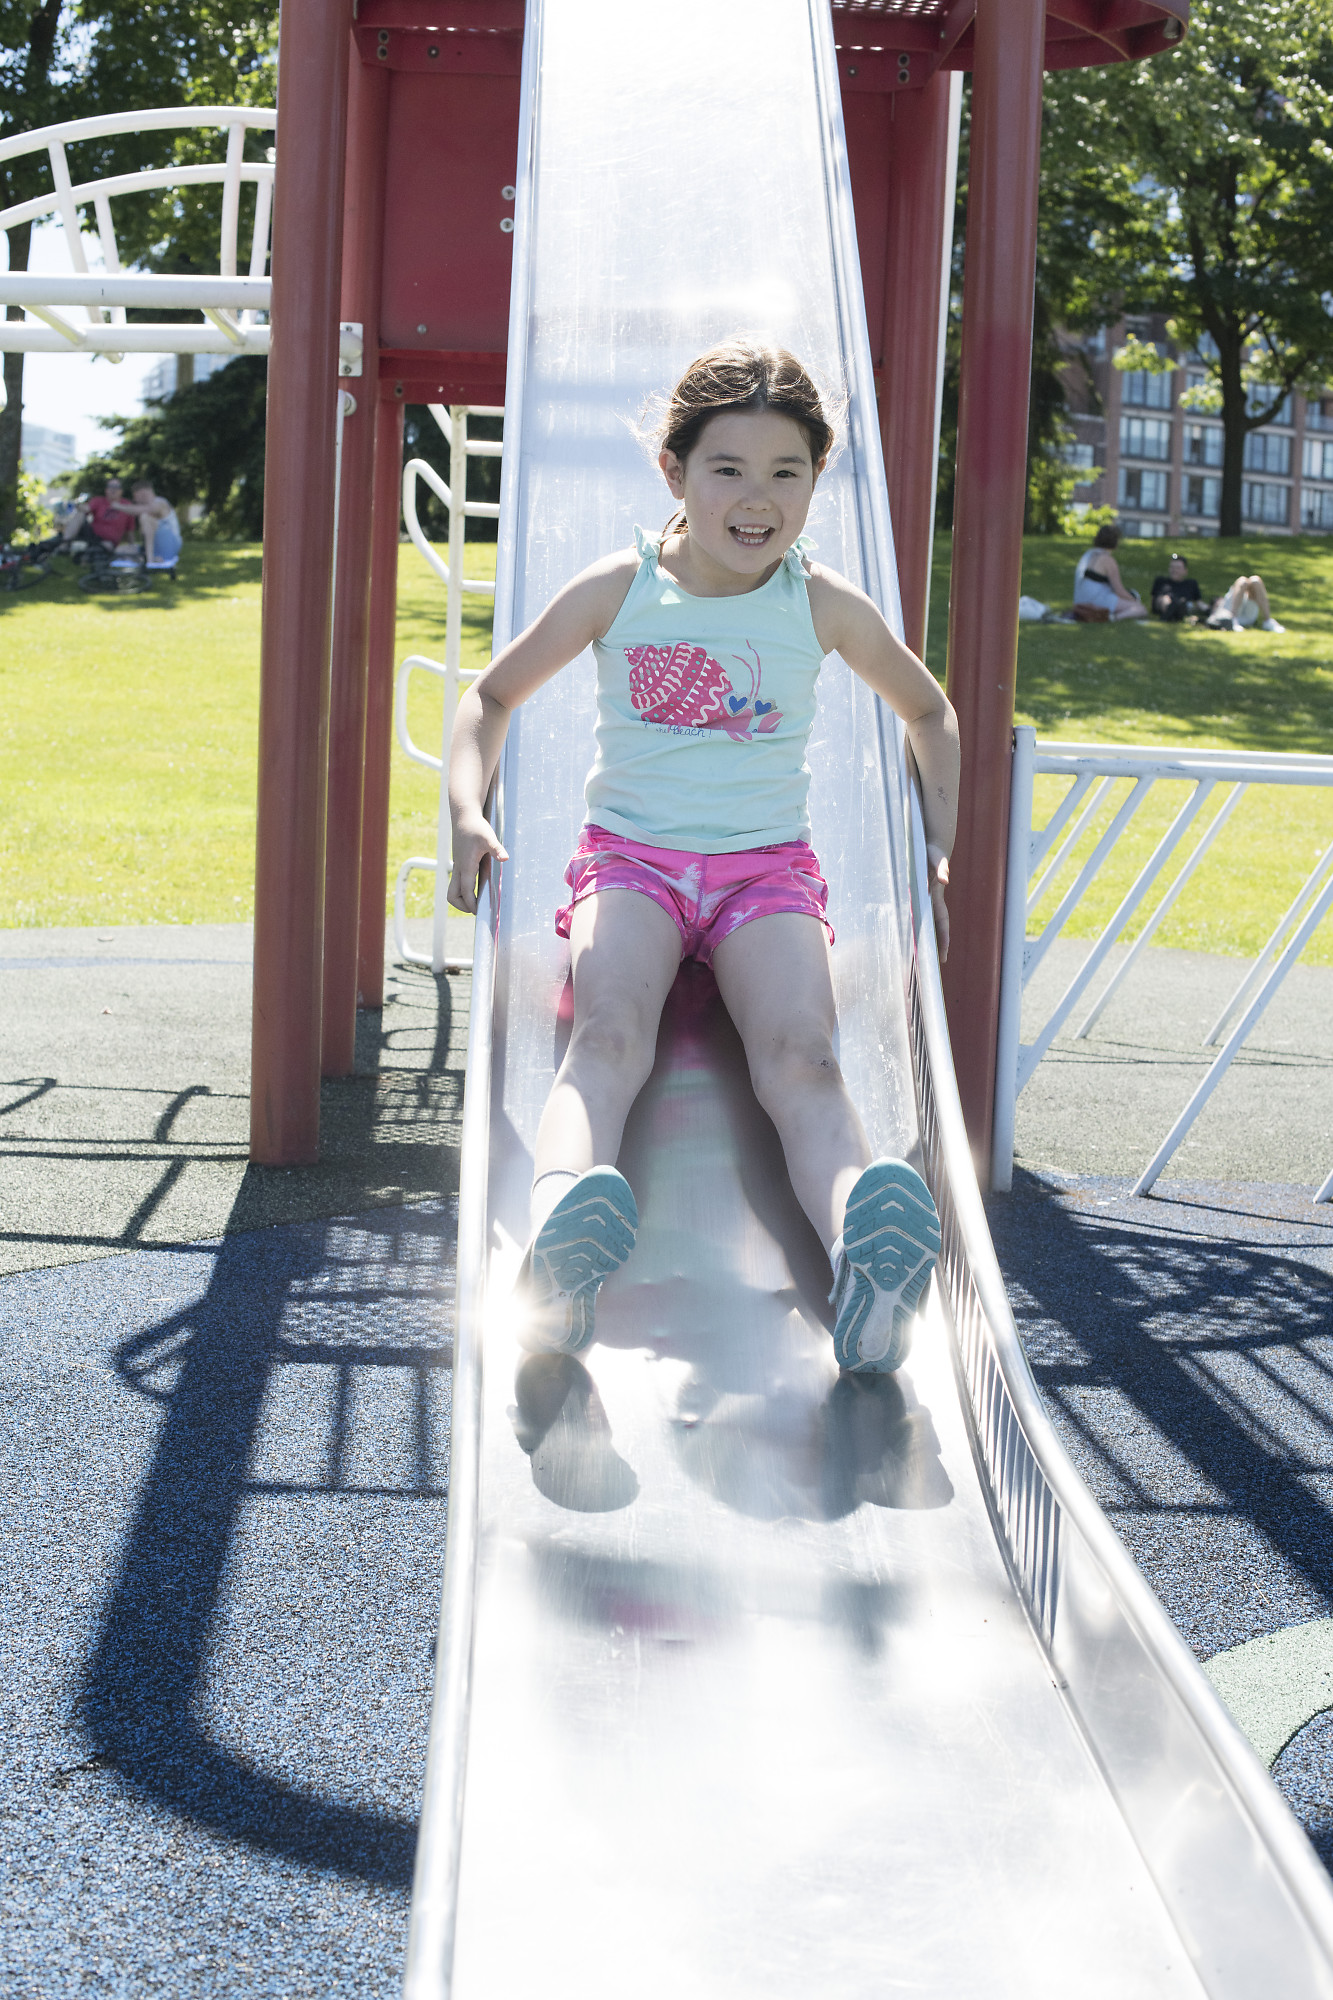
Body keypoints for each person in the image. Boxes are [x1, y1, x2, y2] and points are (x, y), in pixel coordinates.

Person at [447, 339, 958, 1377]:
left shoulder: (818, 601)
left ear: (816, 478)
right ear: (673, 471)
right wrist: (464, 808)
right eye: (728, 468)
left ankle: (863, 1257)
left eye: (786, 472)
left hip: (764, 874)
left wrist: (936, 850)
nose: (757, 498)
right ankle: (558, 1244)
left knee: (803, 1055)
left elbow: (928, 711)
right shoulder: (621, 587)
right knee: (606, 1035)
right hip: (630, 864)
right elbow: (490, 697)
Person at [1072, 524, 1147, 621]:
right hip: (1096, 599)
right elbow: (1119, 590)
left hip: (1080, 600)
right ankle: (1112, 618)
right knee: (1140, 609)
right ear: (1115, 542)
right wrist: (1134, 600)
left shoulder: (1088, 554)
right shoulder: (1108, 560)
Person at [61, 476, 138, 551]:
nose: (113, 489)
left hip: (110, 542)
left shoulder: (127, 505)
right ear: (106, 490)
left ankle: (89, 551)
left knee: (105, 548)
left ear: (121, 490)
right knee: (80, 514)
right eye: (110, 487)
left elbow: (130, 530)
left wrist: (132, 545)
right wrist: (78, 505)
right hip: (92, 535)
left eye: (116, 487)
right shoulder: (98, 501)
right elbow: (86, 509)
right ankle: (64, 544)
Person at [1206, 573, 1285, 633]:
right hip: (1229, 614)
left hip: (1247, 618)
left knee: (1255, 581)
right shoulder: (1221, 608)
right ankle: (1233, 620)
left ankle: (1268, 621)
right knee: (1243, 581)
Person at [130, 480, 182, 568]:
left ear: (143, 493)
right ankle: (152, 558)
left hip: (169, 546)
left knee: (145, 517)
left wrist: (117, 506)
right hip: (157, 548)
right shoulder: (149, 507)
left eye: (135, 496)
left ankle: (150, 561)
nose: (134, 500)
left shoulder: (160, 502)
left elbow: (147, 510)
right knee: (122, 550)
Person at [1150, 552, 1204, 622]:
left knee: (1182, 603)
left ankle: (1171, 614)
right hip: (1165, 605)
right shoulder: (1161, 581)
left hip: (1183, 607)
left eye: (1178, 568)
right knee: (1165, 599)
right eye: (1172, 567)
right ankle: (1170, 613)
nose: (1174, 570)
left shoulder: (1191, 583)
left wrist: (1209, 609)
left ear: (1185, 571)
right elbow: (1154, 601)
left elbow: (1199, 603)